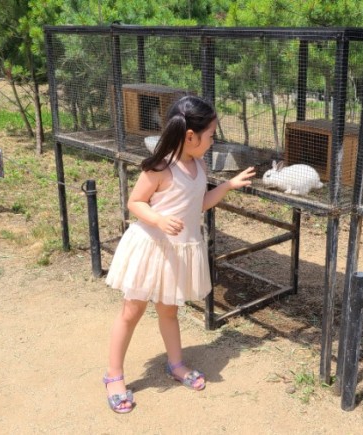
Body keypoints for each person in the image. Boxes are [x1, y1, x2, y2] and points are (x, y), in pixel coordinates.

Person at [102, 95, 255, 413]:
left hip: (179, 252)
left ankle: (176, 364)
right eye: (211, 135)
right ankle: (114, 376)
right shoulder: (160, 168)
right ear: (190, 136)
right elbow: (135, 202)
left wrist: (227, 186)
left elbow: (198, 203)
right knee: (131, 312)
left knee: (169, 311)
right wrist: (157, 218)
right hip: (152, 248)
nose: (213, 141)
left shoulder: (197, 164)